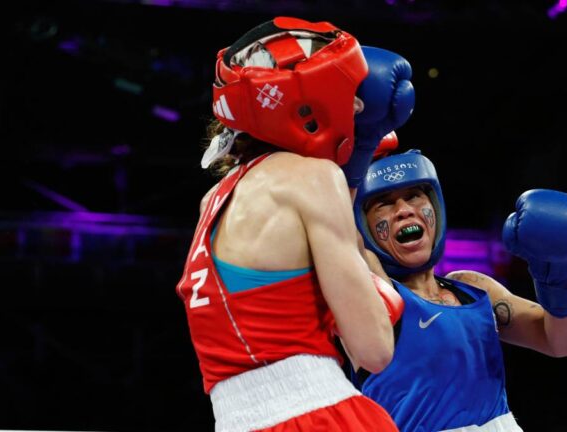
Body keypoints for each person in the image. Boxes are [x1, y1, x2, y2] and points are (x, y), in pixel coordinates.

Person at [175, 17, 414, 431]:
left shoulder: (210, 203)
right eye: (346, 92)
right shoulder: (314, 179)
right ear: (304, 104)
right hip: (321, 415)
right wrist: (380, 290)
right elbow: (373, 351)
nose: (358, 107)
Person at [349, 149, 567, 431]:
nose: (403, 209)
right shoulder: (372, 295)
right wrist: (358, 149)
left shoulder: (472, 287)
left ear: (435, 206)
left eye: (414, 195)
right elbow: (339, 234)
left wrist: (558, 278)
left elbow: (562, 343)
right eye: (384, 203)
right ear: (362, 224)